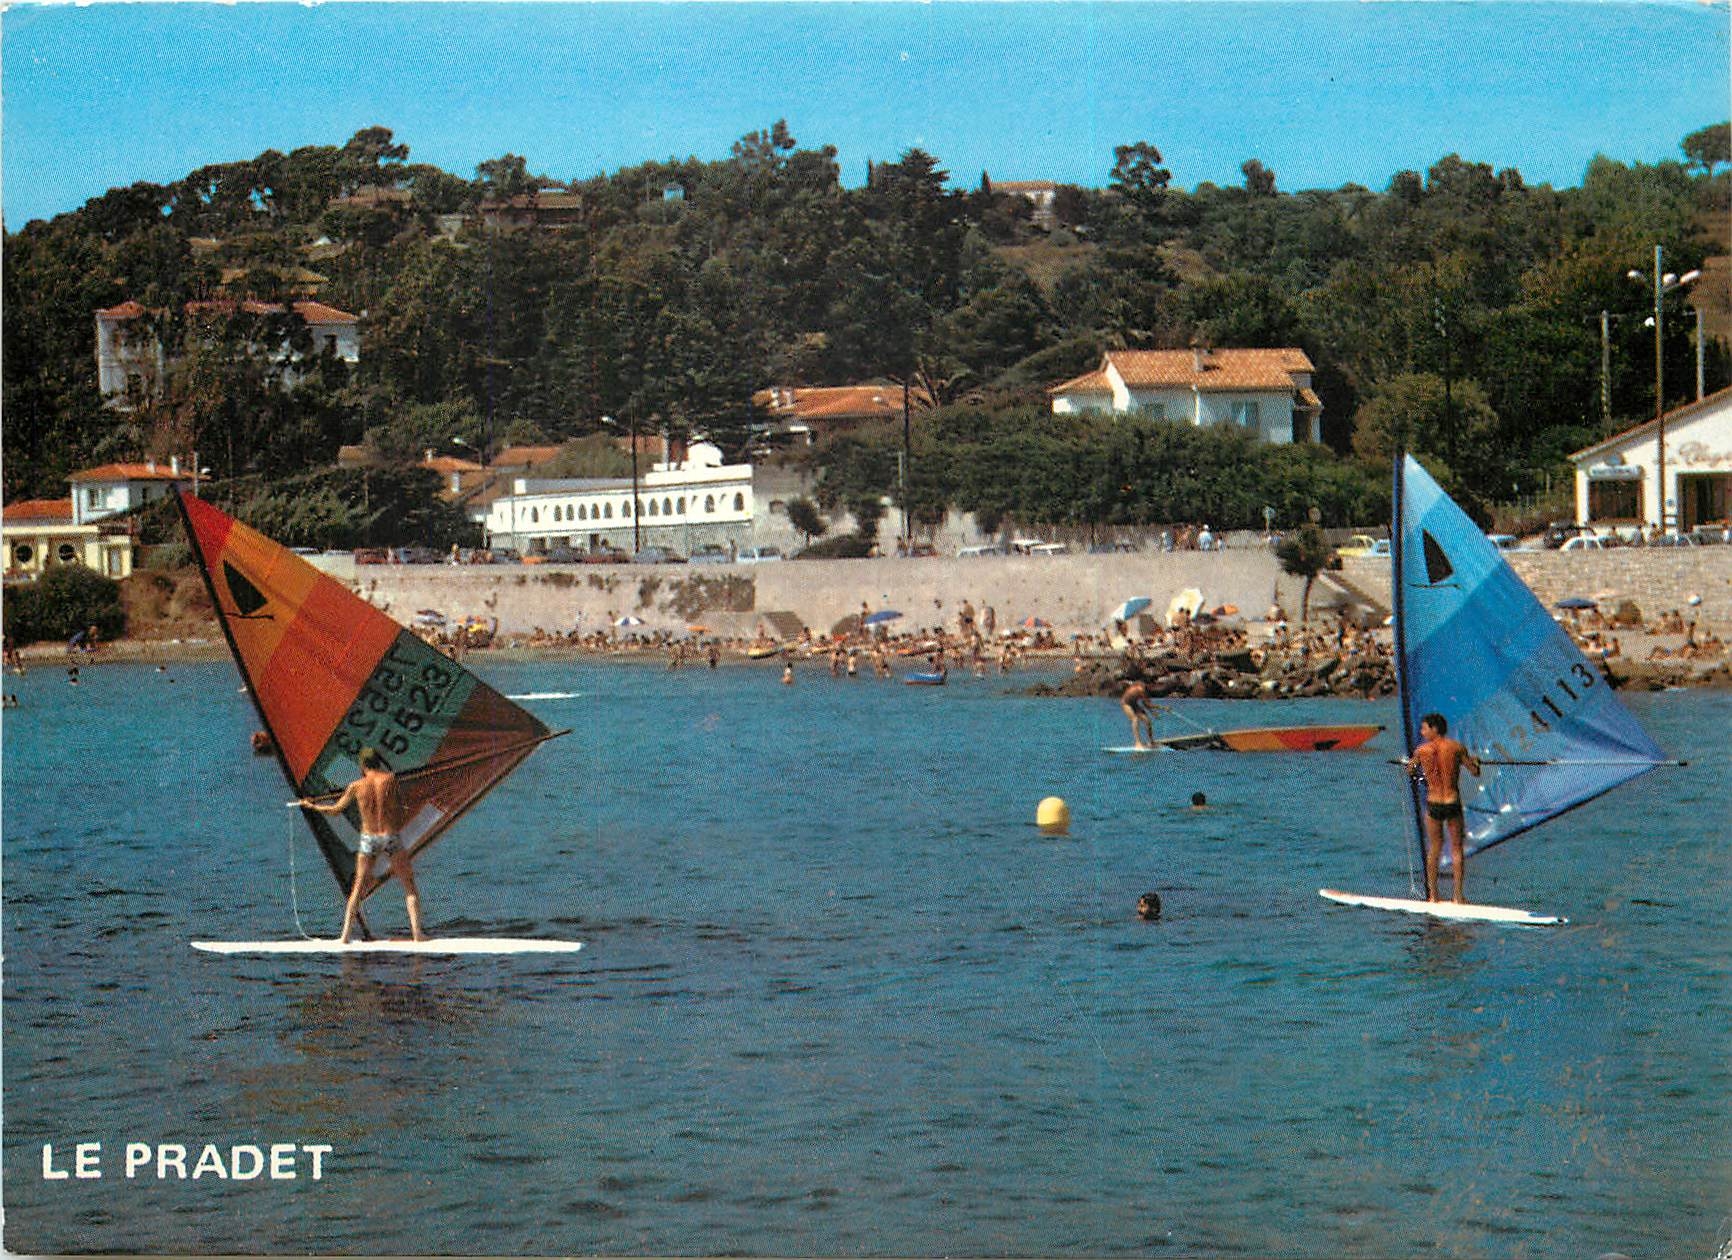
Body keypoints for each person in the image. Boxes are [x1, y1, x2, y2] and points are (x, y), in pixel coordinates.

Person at [299, 747, 425, 943]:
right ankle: (417, 935)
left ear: (362, 765)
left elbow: (334, 810)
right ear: (379, 762)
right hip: (389, 836)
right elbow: (402, 807)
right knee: (409, 885)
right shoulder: (390, 779)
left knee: (357, 888)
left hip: (369, 839)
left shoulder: (356, 786)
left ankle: (344, 937)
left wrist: (312, 806)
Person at [1405, 713, 1482, 903]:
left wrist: (1412, 766)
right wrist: (1476, 761)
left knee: (1435, 848)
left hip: (1434, 803)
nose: (1422, 732)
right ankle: (1458, 896)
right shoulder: (1456, 748)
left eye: (1424, 728)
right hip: (1452, 802)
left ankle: (1433, 895)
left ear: (1435, 728)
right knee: (1456, 848)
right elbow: (1475, 772)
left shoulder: (1421, 751)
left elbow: (1410, 771)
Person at [1120, 678, 1157, 750]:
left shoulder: (1145, 691)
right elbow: (1147, 703)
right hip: (1126, 703)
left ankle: (1151, 742)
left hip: (1134, 704)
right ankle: (1137, 743)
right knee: (1135, 719)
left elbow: (1146, 705)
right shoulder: (1141, 689)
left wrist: (1157, 710)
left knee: (1147, 721)